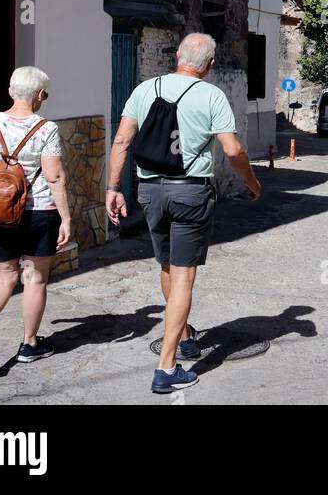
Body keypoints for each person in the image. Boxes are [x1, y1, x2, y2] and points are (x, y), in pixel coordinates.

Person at [106, 32, 261, 395]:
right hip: (190, 191)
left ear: (177, 56)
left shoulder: (145, 89)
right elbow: (233, 149)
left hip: (150, 191)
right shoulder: (212, 95)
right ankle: (166, 366)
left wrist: (113, 189)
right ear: (209, 65)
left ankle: (186, 333)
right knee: (184, 277)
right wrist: (252, 183)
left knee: (166, 267)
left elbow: (122, 140)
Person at [0, 66, 71, 378]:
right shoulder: (46, 128)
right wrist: (66, 217)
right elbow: (54, 176)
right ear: (39, 96)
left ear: (10, 92)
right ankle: (28, 344)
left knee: (0, 280)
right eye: (44, 94)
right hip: (39, 212)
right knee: (34, 278)